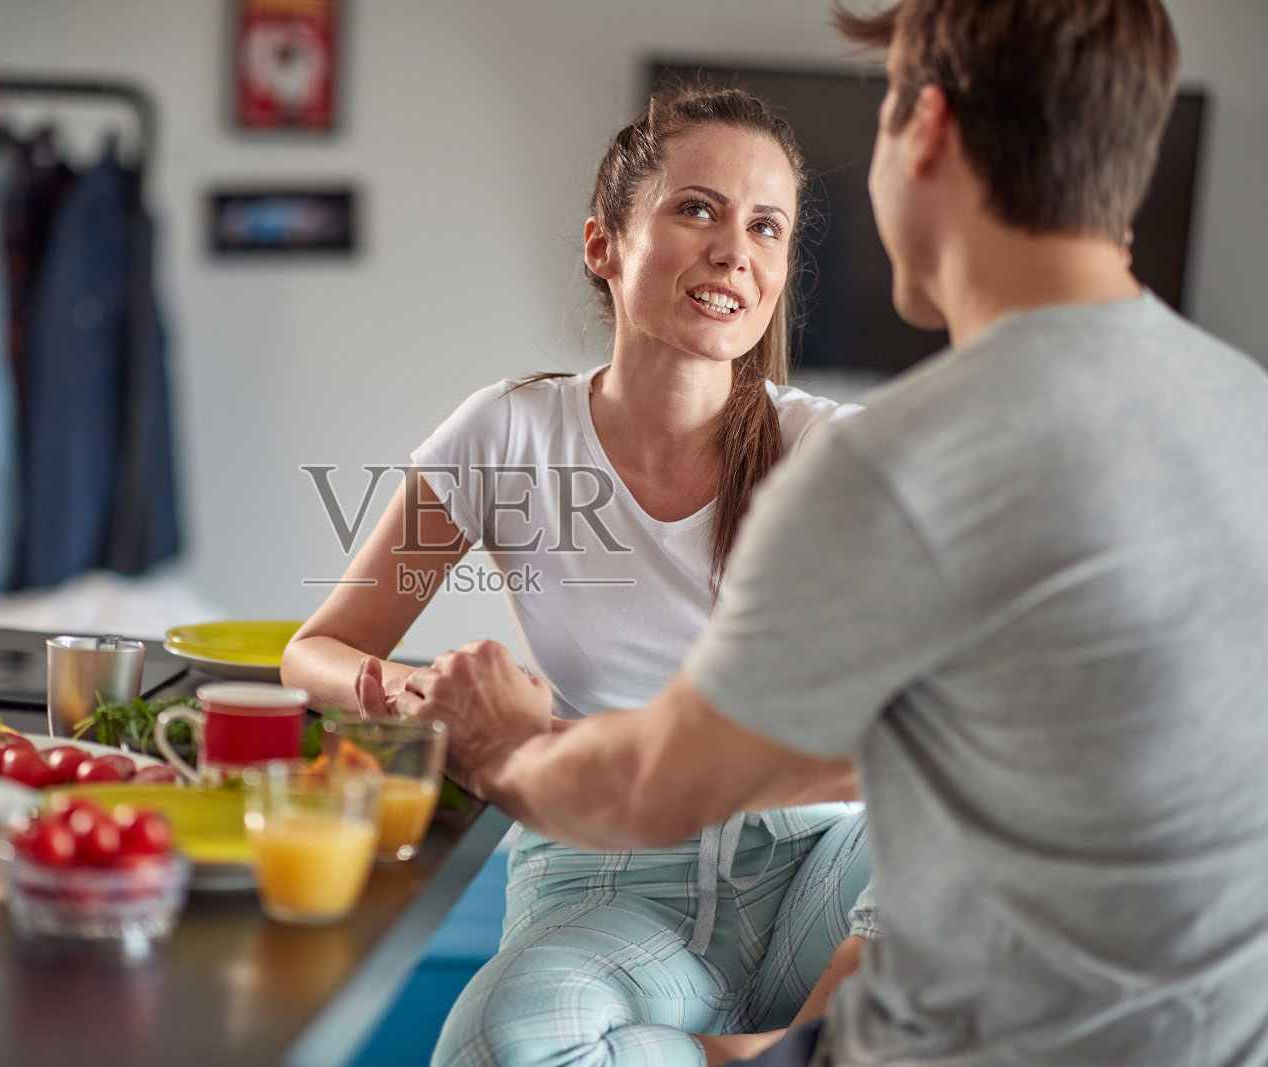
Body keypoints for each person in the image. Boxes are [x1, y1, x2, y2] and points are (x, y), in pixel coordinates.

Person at [397, 1, 1268, 1065]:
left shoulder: (907, 459)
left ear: (925, 129)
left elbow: (661, 785)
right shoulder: (1246, 410)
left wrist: (501, 745)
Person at [282, 88, 874, 1065]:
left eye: (765, 226)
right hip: (613, 873)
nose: (735, 251)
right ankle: (772, 1051)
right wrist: (426, 698)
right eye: (698, 208)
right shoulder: (506, 433)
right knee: (498, 1042)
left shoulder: (831, 452)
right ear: (604, 243)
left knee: (991, 812)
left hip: (819, 867)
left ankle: (784, 1043)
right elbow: (320, 651)